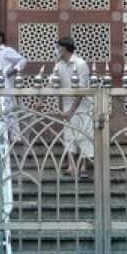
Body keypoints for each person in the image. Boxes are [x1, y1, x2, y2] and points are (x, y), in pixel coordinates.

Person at [53, 37, 93, 179]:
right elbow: (54, 85)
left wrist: (72, 110)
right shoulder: (58, 65)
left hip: (82, 105)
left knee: (83, 135)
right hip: (66, 104)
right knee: (68, 136)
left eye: (58, 47)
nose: (56, 50)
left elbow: (82, 90)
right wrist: (61, 108)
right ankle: (71, 166)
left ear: (64, 48)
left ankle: (83, 167)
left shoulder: (80, 64)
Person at [0, 30, 27, 142]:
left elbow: (23, 60)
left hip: (5, 88)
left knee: (9, 113)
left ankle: (16, 140)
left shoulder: (7, 51)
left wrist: (13, 70)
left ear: (0, 38)